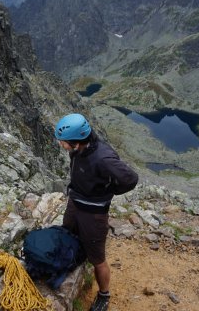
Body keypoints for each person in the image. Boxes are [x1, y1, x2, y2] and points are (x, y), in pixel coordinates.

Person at [55, 113, 138, 311]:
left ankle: (103, 295)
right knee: (68, 233)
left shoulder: (103, 158)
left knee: (97, 258)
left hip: (94, 214)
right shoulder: (78, 149)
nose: (61, 145)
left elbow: (131, 179)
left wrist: (108, 191)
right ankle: (73, 261)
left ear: (76, 140)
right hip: (75, 203)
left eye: (63, 141)